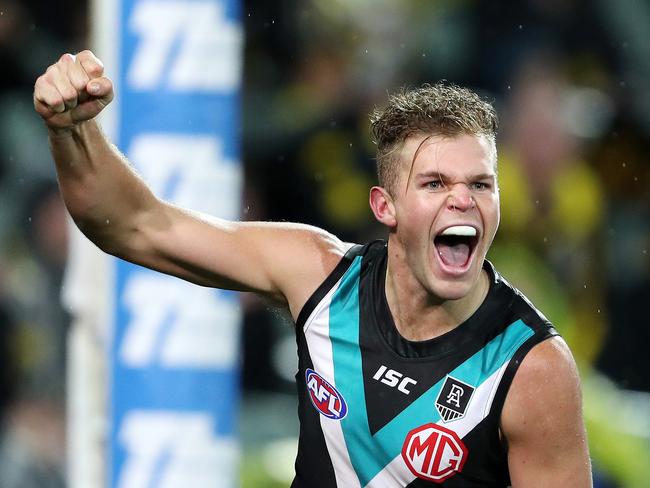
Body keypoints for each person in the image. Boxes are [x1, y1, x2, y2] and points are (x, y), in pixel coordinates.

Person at [33, 50, 592, 487]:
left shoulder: (531, 369)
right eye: (435, 184)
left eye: (480, 184)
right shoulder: (319, 276)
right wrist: (71, 132)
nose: (463, 201)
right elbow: (133, 225)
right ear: (384, 208)